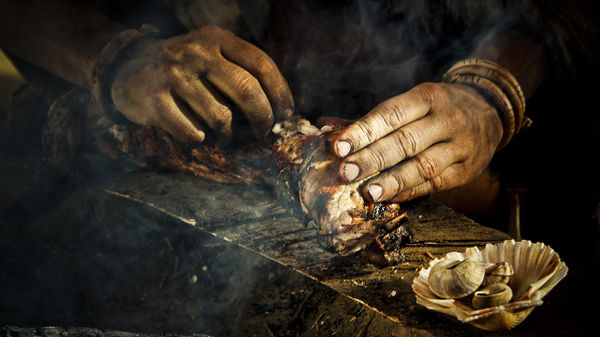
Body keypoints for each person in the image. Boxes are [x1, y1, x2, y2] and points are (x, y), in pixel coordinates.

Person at [0, 0, 596, 212]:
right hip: (191, 112)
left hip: (483, 183)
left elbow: (564, 19)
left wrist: (492, 93)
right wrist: (113, 57)